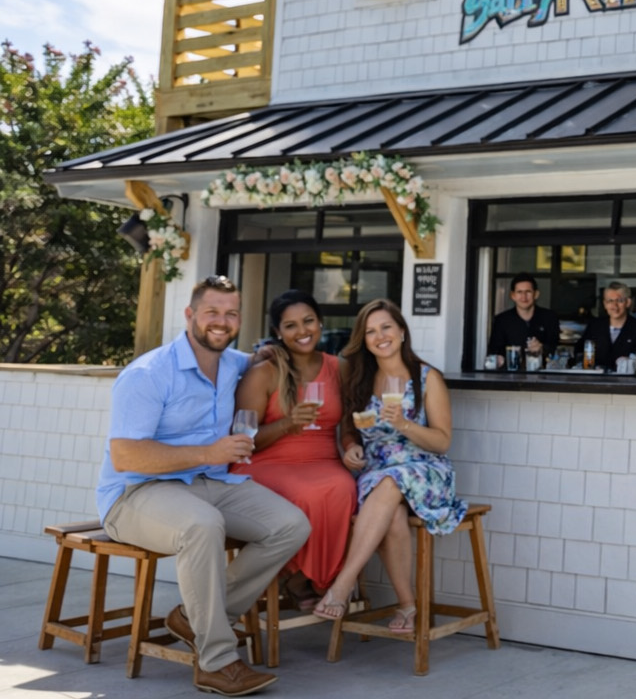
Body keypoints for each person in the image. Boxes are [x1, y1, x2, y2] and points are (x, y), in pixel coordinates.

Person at [96, 275, 309, 697]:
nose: (221, 321)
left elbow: (259, 357)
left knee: (291, 525)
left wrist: (269, 351)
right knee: (202, 525)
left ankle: (193, 619)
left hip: (208, 483)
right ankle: (217, 662)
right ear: (190, 315)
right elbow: (126, 457)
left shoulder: (234, 363)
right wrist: (208, 453)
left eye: (231, 314)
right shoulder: (148, 373)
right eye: (212, 312)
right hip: (136, 494)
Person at [315, 300, 467, 636]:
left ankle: (342, 584)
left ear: (401, 331)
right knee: (391, 511)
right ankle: (407, 605)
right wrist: (350, 447)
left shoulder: (428, 378)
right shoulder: (360, 378)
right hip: (379, 471)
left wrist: (404, 424)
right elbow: (349, 427)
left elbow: (442, 442)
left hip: (425, 469)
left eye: (385, 327)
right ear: (364, 339)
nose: (379, 336)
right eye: (370, 331)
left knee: (389, 482)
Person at [235, 289, 357, 610]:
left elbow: (347, 424)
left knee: (344, 487)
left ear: (320, 323)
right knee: (306, 493)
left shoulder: (338, 368)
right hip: (266, 461)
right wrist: (288, 423)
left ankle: (301, 578)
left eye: (308, 321)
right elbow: (243, 441)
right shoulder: (265, 372)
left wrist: (350, 447)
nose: (302, 331)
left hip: (322, 460)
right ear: (277, 331)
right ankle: (296, 574)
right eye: (290, 326)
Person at [485, 272, 560, 367]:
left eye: (528, 292)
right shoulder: (502, 320)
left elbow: (556, 349)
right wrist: (498, 360)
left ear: (536, 294)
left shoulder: (550, 317)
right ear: (513, 296)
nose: (524, 297)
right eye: (519, 292)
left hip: (543, 377)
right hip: (510, 377)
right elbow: (494, 353)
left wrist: (542, 349)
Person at [578, 281, 636, 370]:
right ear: (605, 304)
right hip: (597, 381)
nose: (614, 305)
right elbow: (580, 354)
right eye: (610, 301)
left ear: (628, 302)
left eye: (619, 300)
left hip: (629, 382)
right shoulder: (594, 327)